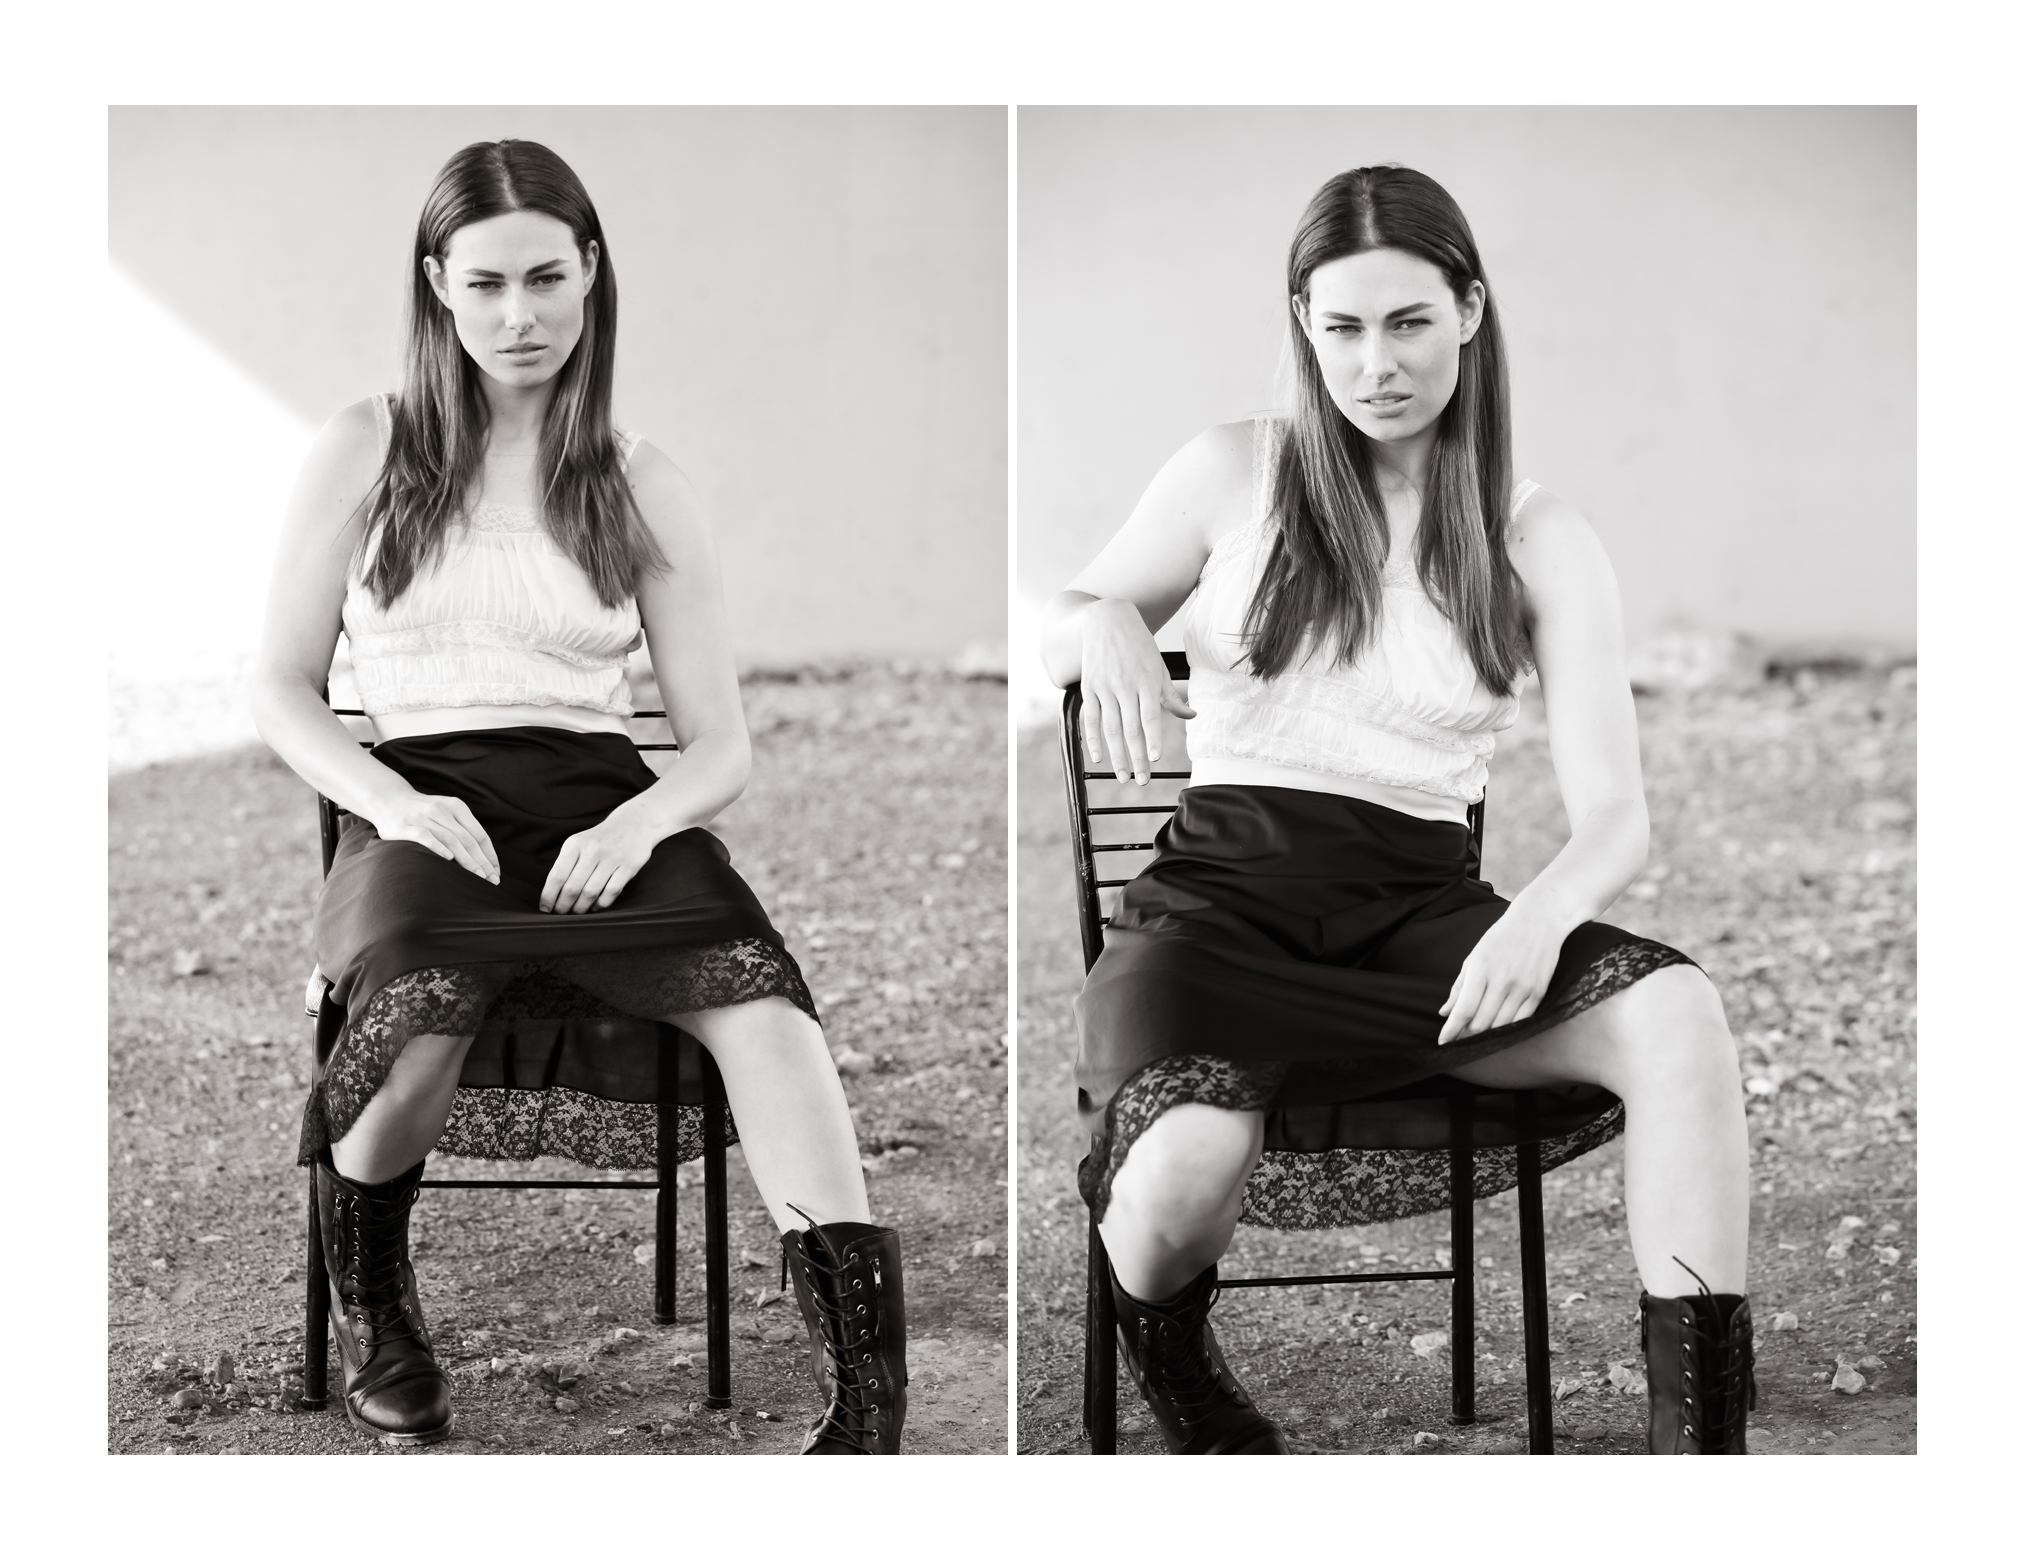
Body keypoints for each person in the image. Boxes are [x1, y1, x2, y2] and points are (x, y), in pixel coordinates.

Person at [1040, 165, 1753, 1455]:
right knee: (1181, 1178)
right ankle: (1176, 1360)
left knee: (1677, 1013)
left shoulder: (1538, 534)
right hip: (1217, 914)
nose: (1377, 363)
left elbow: (1618, 817)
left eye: (1410, 322)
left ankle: (1699, 1460)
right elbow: (1060, 626)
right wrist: (1098, 622)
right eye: (1343, 327)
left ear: (1470, 311)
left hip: (1426, 920)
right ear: (1304, 330)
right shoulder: (1229, 472)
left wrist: (1537, 918)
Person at [252, 139, 905, 1454]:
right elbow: (279, 685)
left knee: (766, 1010)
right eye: (486, 282)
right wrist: (384, 798)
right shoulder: (365, 447)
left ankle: (867, 1400)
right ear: (438, 283)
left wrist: (641, 819)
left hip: (604, 804)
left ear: (593, 272)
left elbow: (718, 746)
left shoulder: (637, 475)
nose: (520, 314)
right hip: (422, 799)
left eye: (548, 277)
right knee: (421, 1010)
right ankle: (376, 1299)